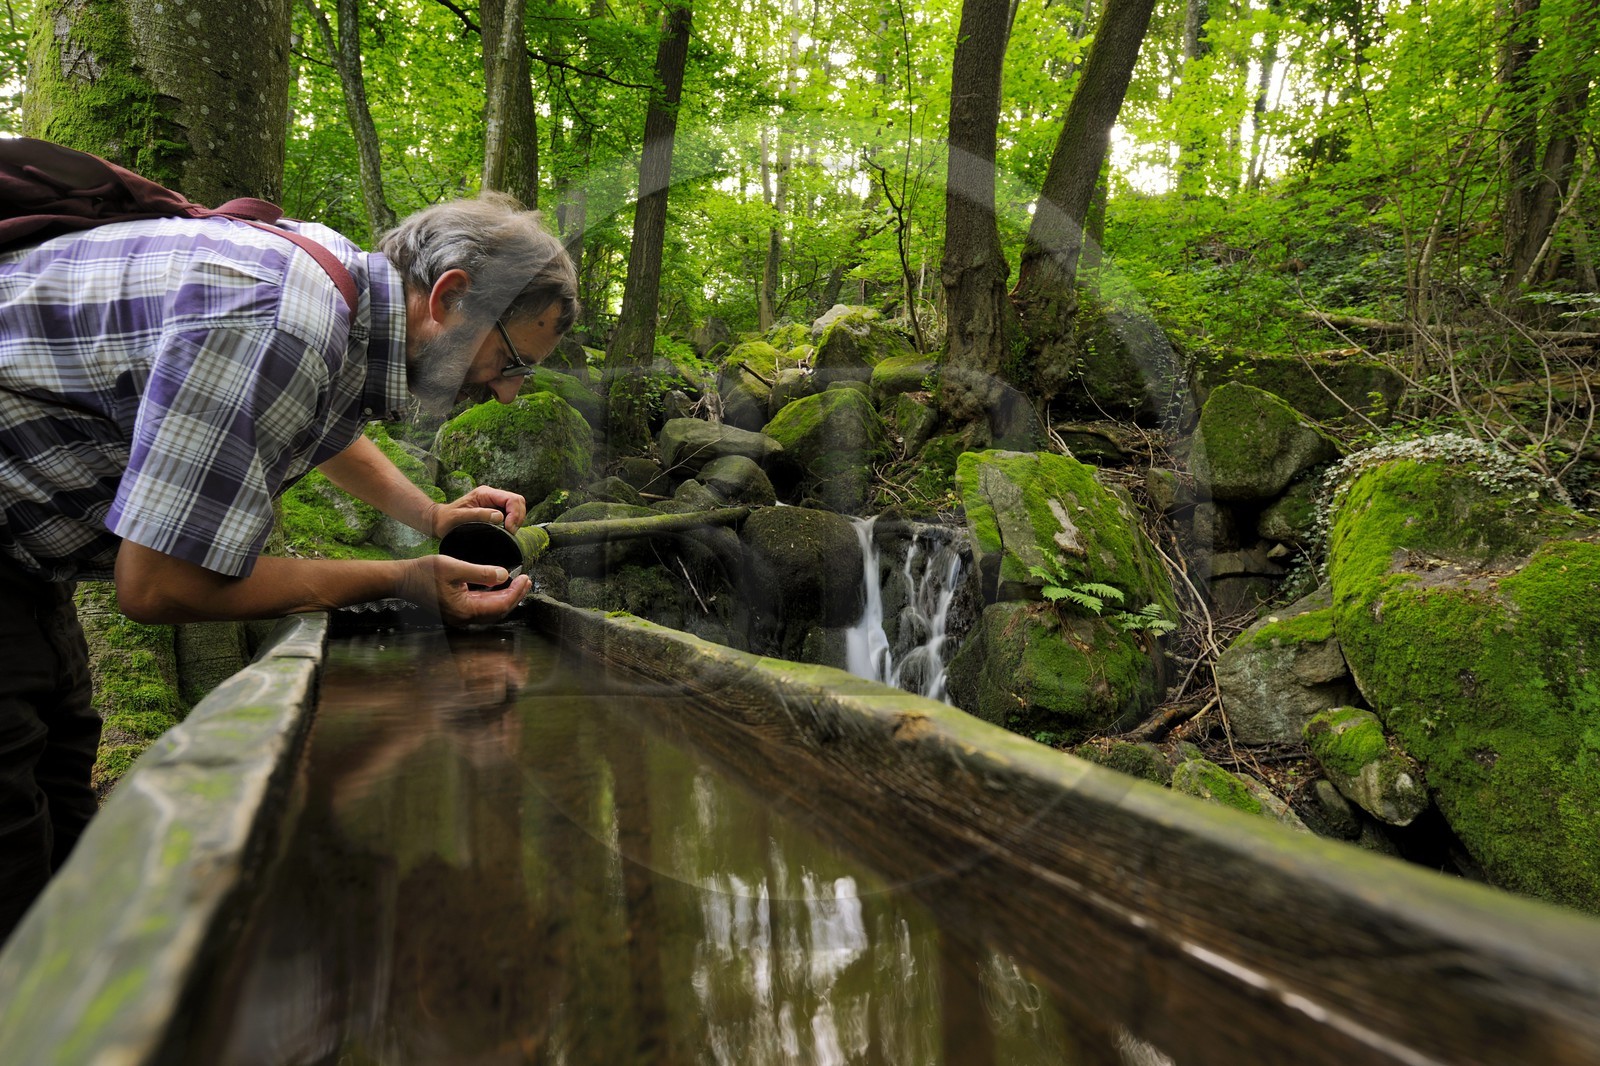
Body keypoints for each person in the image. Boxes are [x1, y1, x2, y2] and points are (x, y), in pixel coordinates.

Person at [0, 191, 577, 945]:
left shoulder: (332, 291)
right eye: (511, 362)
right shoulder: (282, 321)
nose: (505, 391)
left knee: (62, 787)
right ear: (452, 296)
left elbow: (307, 419)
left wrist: (430, 517)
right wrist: (402, 580)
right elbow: (161, 586)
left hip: (26, 553)